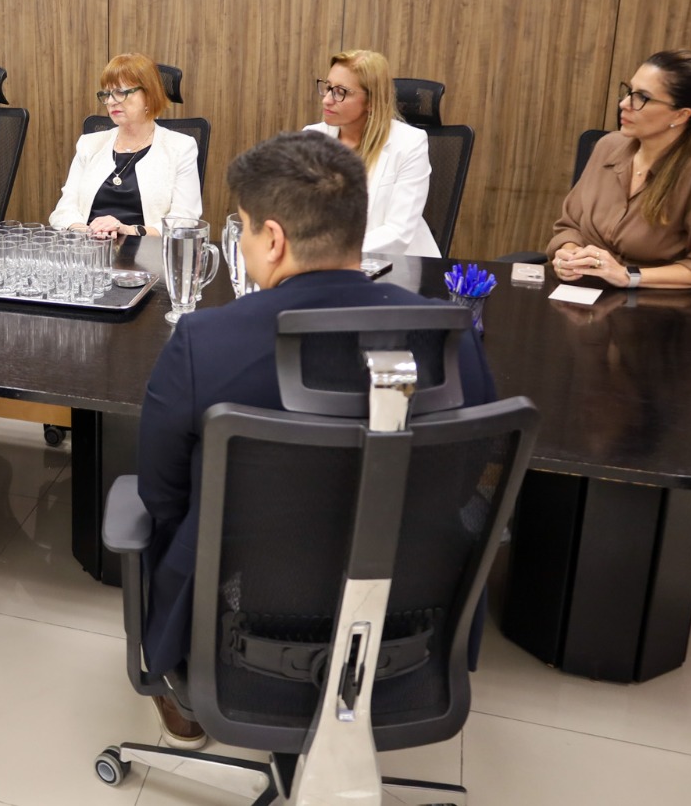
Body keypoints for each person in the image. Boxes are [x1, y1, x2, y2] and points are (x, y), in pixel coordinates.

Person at [136, 131, 496, 747]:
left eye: (245, 229)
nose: (246, 242)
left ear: (272, 239)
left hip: (238, 634)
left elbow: (160, 492)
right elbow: (462, 478)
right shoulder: (454, 340)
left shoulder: (203, 343)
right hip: (405, 632)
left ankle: (191, 698)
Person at [548, 49, 691, 292]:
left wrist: (628, 276)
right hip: (582, 296)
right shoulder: (608, 146)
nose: (624, 104)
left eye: (642, 98)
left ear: (680, 115)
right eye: (629, 92)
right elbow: (570, 226)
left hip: (655, 308)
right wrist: (570, 255)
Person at [48, 53, 202, 239]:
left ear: (149, 96)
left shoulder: (181, 147)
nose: (112, 101)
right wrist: (88, 232)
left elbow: (184, 220)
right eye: (107, 94)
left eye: (121, 92)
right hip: (89, 251)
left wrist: (128, 230)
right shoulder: (89, 144)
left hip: (147, 256)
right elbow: (64, 209)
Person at [304, 49, 439, 257]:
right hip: (324, 265)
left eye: (341, 92)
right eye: (328, 87)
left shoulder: (410, 143)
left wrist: (334, 253)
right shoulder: (311, 138)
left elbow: (398, 233)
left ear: (372, 101)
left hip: (393, 266)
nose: (327, 100)